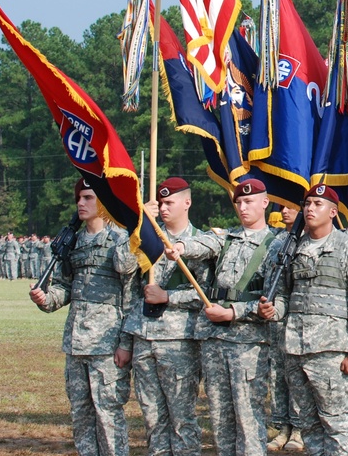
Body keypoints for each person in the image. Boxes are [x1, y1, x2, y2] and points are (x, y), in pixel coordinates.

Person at [167, 178, 283, 456]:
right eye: (239, 203)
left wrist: (232, 312)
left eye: (249, 201)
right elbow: (203, 243)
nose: (243, 207)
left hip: (248, 343)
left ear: (264, 203)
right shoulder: (225, 238)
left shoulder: (277, 245)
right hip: (214, 341)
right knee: (219, 417)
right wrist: (182, 247)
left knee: (248, 416)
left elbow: (275, 300)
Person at [264, 184, 348, 456]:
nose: (310, 209)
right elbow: (284, 296)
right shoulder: (291, 250)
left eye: (317, 204)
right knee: (308, 424)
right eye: (307, 204)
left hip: (331, 353)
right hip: (295, 349)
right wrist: (274, 310)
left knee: (337, 423)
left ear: (333, 211)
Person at [29, 177, 139, 456]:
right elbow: (64, 288)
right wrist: (46, 298)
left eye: (88, 197)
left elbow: (131, 296)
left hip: (107, 343)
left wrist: (125, 343)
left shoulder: (120, 240)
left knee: (108, 415)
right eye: (79, 198)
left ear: (103, 202)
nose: (81, 203)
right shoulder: (73, 242)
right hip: (76, 342)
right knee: (80, 414)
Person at [123, 177, 211, 456]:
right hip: (144, 337)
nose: (163, 208)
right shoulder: (147, 238)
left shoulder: (201, 243)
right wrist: (140, 223)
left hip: (178, 342)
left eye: (169, 202)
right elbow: (124, 274)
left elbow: (207, 296)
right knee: (152, 419)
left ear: (187, 202)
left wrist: (168, 297)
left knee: (181, 419)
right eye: (160, 203)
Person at [268, 204, 304, 452]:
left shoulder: (308, 242)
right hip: (277, 322)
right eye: (282, 205)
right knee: (279, 376)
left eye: (291, 206)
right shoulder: (276, 242)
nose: (284, 210)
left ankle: (300, 429)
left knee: (299, 379)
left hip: (301, 324)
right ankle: (283, 426)